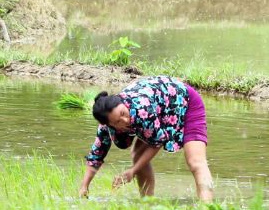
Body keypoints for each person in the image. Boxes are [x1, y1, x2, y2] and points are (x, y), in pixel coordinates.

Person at [80, 75, 216, 202]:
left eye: (123, 113)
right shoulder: (105, 127)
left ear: (123, 103)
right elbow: (96, 156)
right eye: (117, 122)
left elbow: (157, 142)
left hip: (186, 101)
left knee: (195, 162)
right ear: (108, 125)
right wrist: (84, 186)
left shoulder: (141, 109)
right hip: (160, 107)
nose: (125, 120)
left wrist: (132, 172)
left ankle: (207, 209)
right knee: (137, 156)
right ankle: (147, 205)